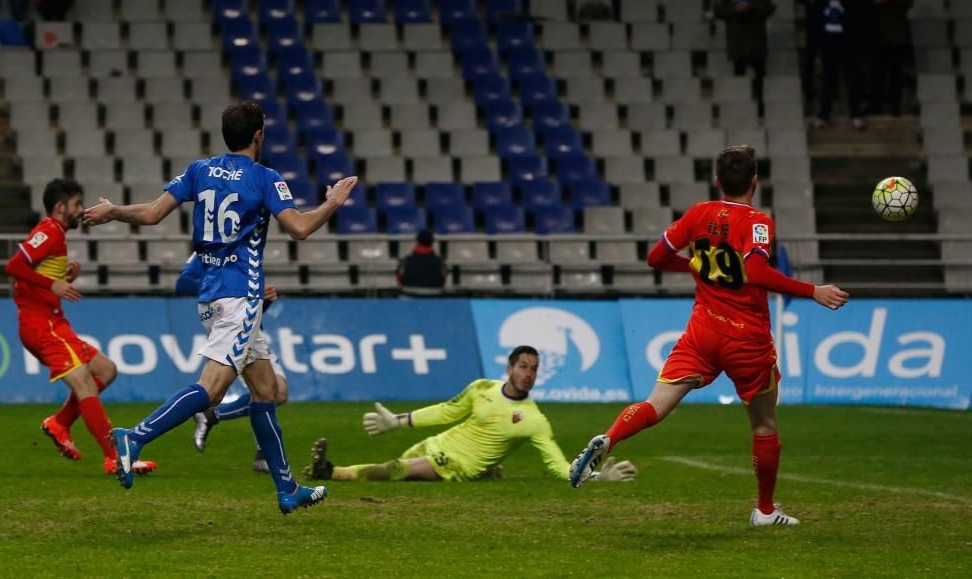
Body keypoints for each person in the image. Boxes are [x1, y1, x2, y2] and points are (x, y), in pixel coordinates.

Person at [83, 101, 358, 514]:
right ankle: (135, 435)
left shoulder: (199, 171)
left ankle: (287, 488)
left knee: (265, 390)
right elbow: (299, 227)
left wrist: (114, 211)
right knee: (212, 389)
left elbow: (153, 213)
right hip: (240, 298)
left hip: (211, 295)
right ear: (259, 136)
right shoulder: (265, 178)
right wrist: (333, 203)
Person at [567, 145, 850, 527]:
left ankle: (610, 438)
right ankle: (765, 511)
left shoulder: (699, 214)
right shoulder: (758, 223)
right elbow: (756, 273)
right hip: (746, 338)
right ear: (755, 180)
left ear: (717, 181)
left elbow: (656, 258)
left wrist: (697, 266)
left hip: (703, 329)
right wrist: (812, 290)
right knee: (764, 425)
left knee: (657, 403)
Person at [3, 179, 158, 476]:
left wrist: (65, 277)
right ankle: (114, 458)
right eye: (76, 204)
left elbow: (32, 278)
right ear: (60, 207)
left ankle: (60, 423)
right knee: (85, 382)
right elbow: (14, 267)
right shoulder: (48, 231)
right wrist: (55, 284)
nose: (81, 210)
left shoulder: (57, 235)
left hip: (53, 321)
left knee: (106, 370)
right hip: (41, 325)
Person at [305, 345, 637, 484]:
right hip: (435, 444)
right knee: (397, 468)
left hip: (455, 466)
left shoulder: (535, 421)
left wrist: (595, 476)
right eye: (523, 367)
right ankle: (490, 473)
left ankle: (329, 472)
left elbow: (559, 467)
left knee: (395, 470)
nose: (529, 374)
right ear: (509, 368)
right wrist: (399, 421)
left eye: (534, 369)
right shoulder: (482, 388)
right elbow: (448, 410)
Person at [175, 253, 288, 473]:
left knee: (275, 392)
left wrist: (263, 300)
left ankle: (212, 416)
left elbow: (248, 303)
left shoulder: (250, 250)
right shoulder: (211, 246)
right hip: (231, 330)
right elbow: (183, 283)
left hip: (253, 328)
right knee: (267, 391)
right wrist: (234, 291)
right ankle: (264, 456)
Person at [814, 0, 867, 130]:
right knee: (828, 78)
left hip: (848, 39)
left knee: (852, 78)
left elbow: (859, 10)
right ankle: (823, 115)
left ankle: (856, 114)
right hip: (829, 38)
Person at [714, 0, 774, 103]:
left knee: (760, 74)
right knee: (738, 74)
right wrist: (734, 10)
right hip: (737, 38)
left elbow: (769, 8)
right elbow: (718, 10)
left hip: (756, 37)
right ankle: (740, 106)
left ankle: (761, 105)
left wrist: (752, 7)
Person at [864, 0, 913, 117]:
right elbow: (864, 1)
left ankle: (895, 107)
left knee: (895, 74)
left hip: (896, 36)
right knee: (876, 74)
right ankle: (875, 107)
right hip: (876, 36)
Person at [794, 0, 830, 109]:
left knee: (829, 58)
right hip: (813, 21)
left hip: (830, 21)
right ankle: (808, 90)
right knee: (810, 58)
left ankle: (830, 91)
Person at [396, 229, 447, 296]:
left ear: (418, 241)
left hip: (409, 295)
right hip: (434, 295)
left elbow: (399, 277)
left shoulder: (406, 260)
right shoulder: (440, 261)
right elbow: (443, 278)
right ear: (431, 242)